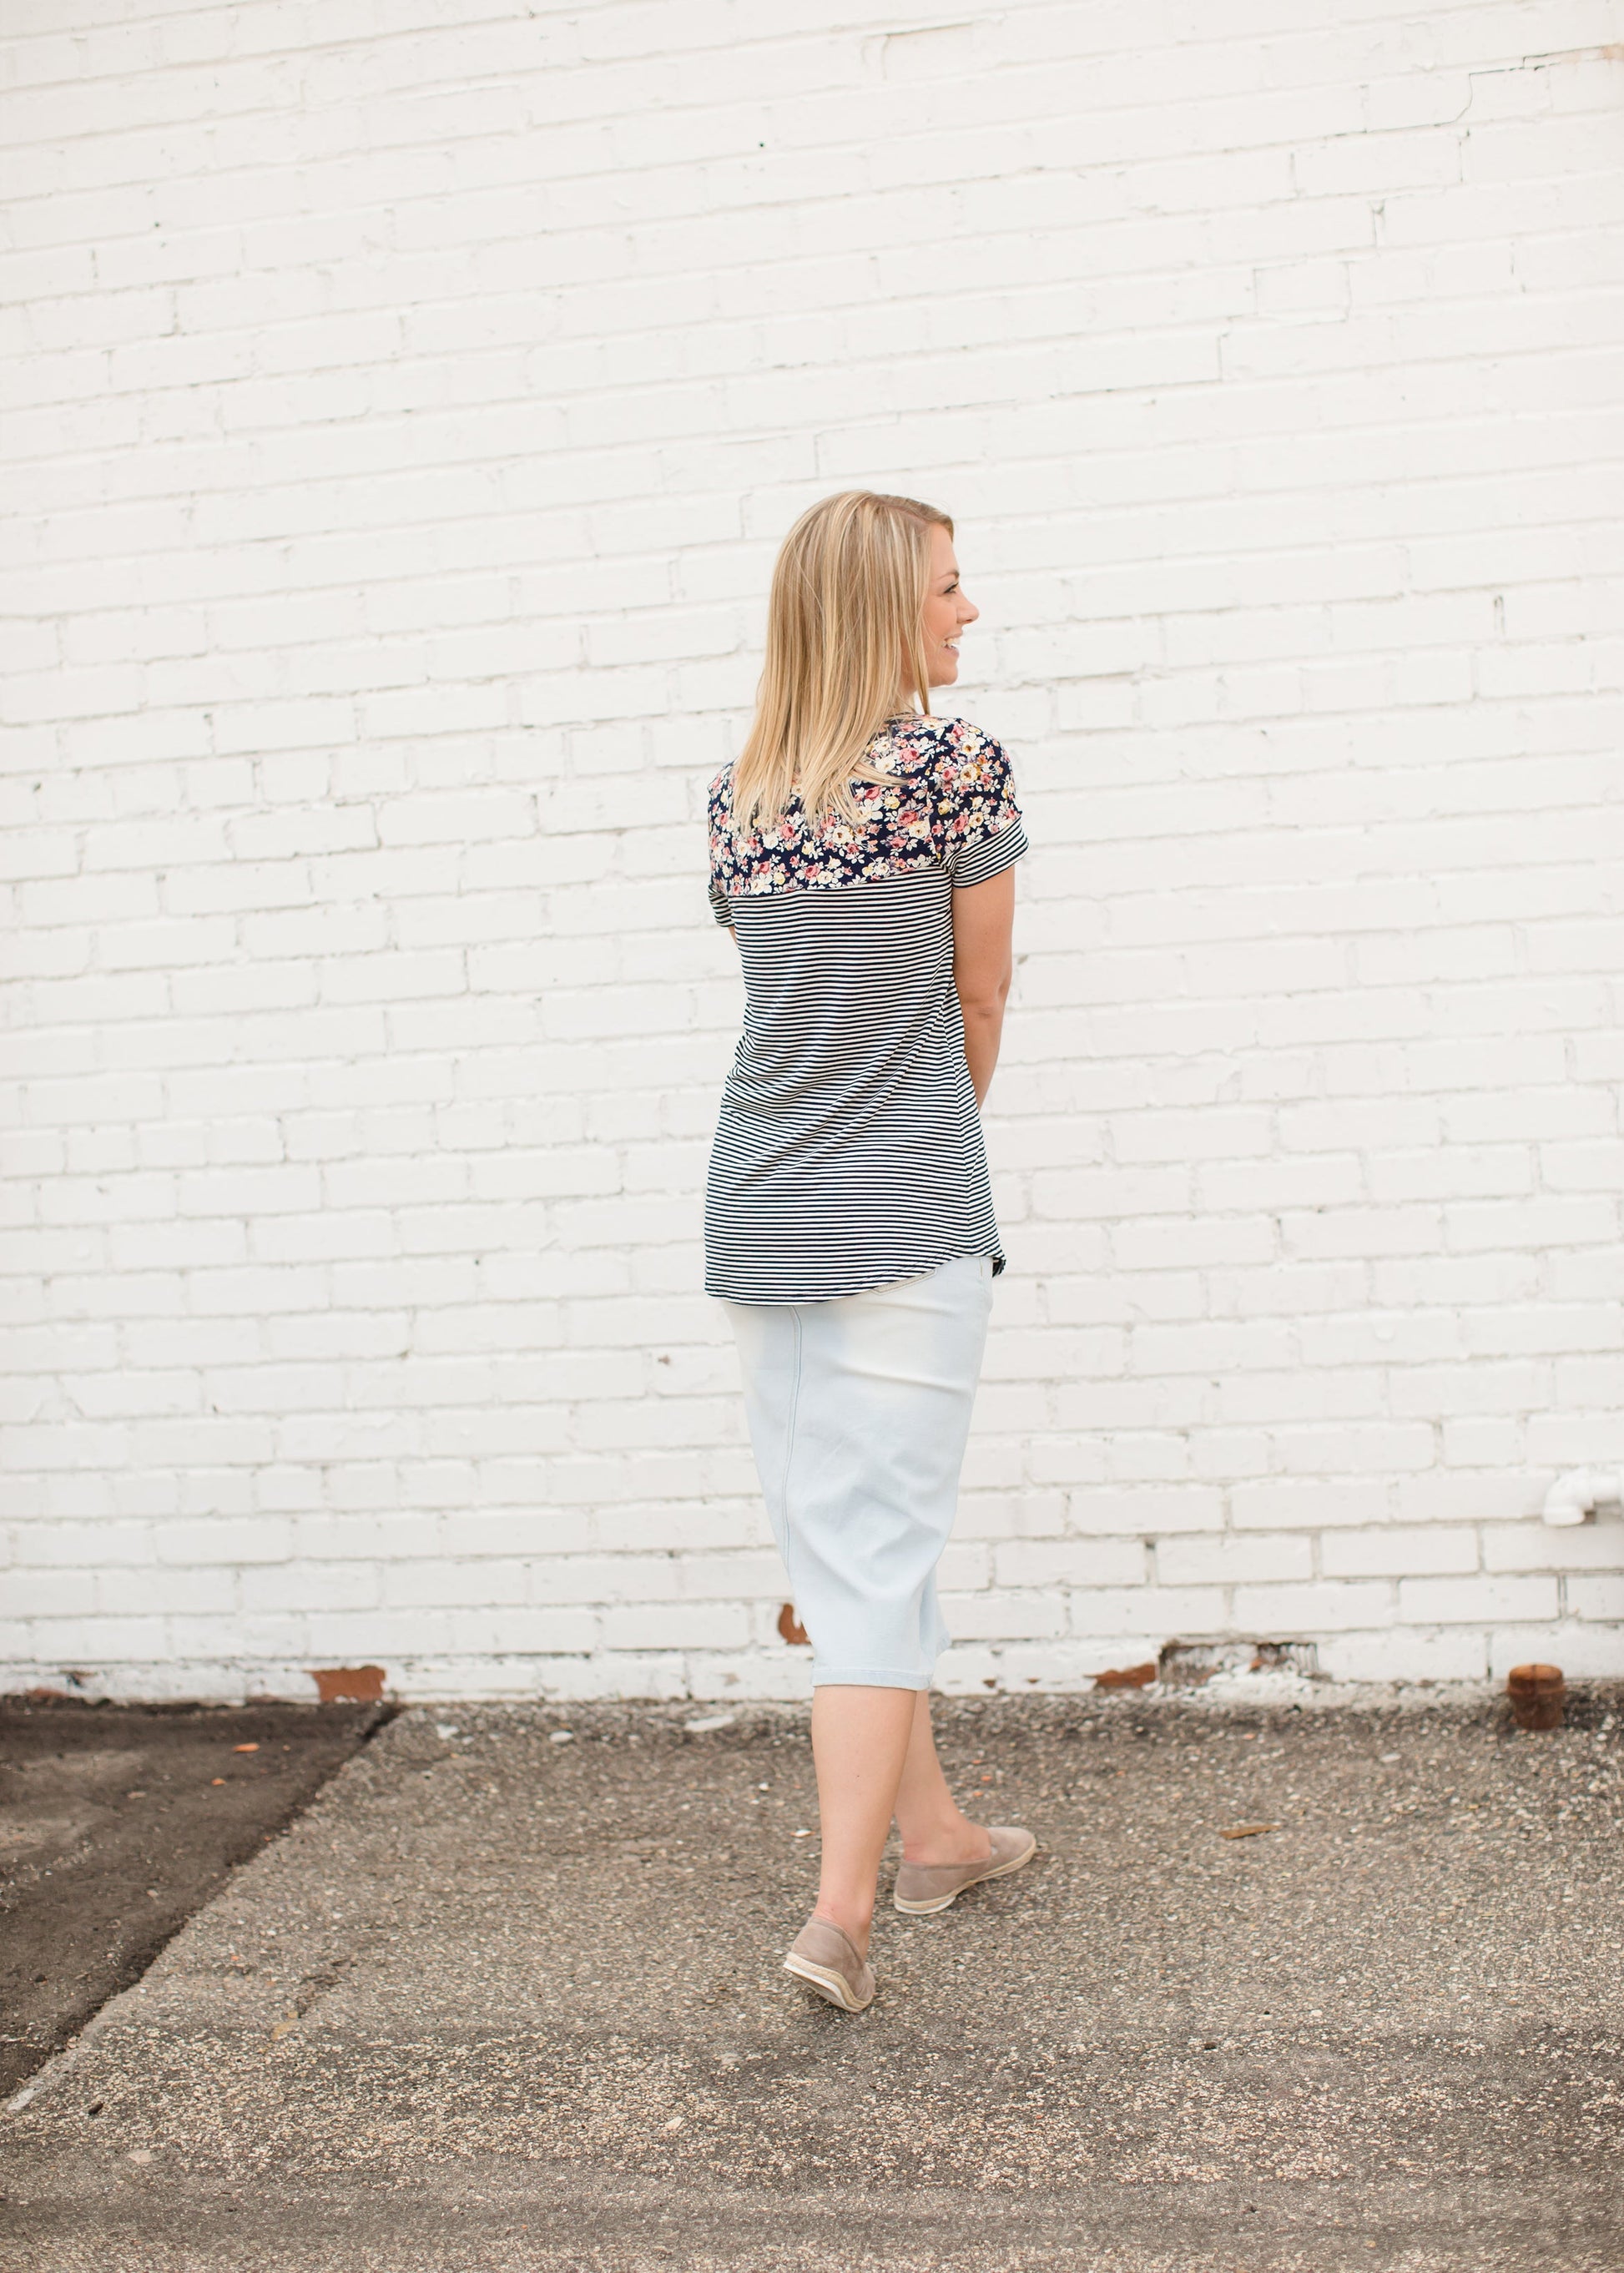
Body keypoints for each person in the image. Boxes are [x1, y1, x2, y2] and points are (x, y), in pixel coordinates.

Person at [703, 490, 1036, 2014]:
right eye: (950, 590)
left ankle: (938, 1837)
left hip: (763, 1210)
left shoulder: (744, 791)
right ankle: (840, 1917)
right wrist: (916, 1152)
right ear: (881, 608)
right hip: (901, 1214)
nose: (969, 613)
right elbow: (973, 1010)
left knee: (841, 1550)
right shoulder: (954, 768)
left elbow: (792, 1010)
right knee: (880, 1559)